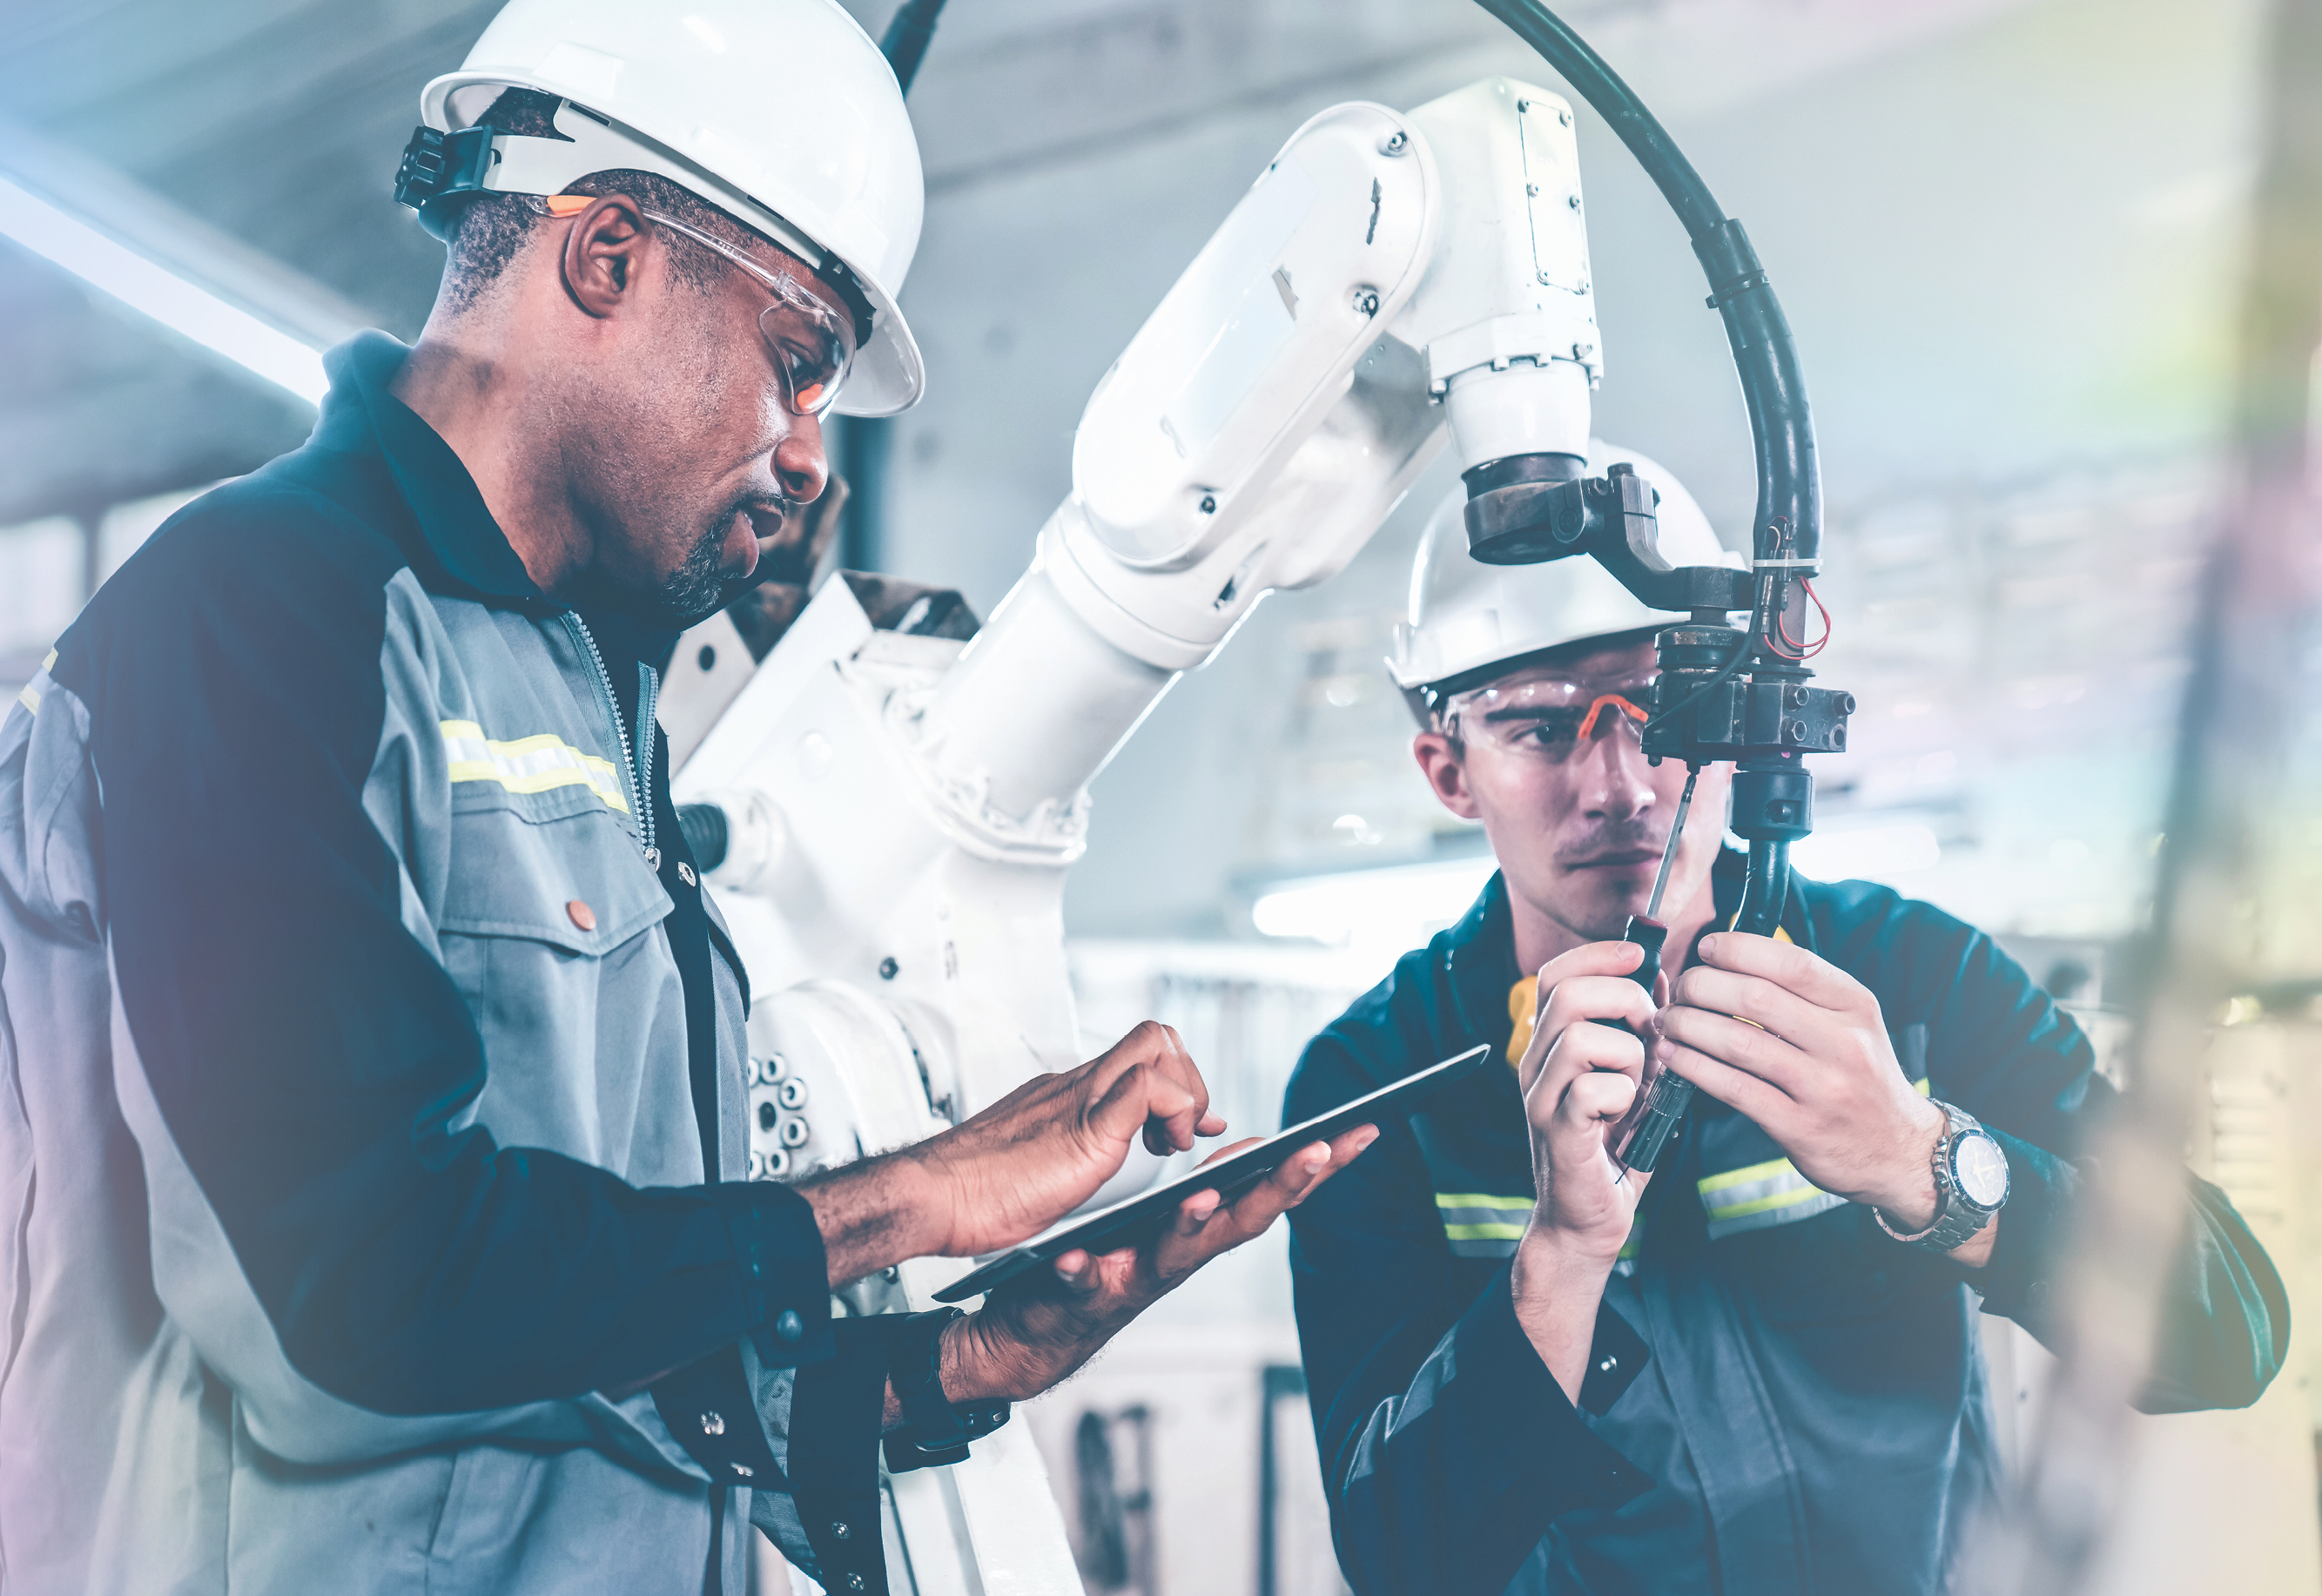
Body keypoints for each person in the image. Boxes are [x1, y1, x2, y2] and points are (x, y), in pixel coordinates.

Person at [0, 4, 1372, 1593]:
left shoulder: (592, 695)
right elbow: (357, 1280)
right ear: (606, 259)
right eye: (797, 368)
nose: (806, 459)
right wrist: (916, 1193)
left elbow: (598, 1350)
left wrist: (958, 1359)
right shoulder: (253, 615)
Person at [1282, 463, 2288, 1596]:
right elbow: (1405, 1559)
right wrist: (1561, 1256)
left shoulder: (1912, 974)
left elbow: (2232, 1325)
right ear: (1449, 770)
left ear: (1746, 722)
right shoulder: (1376, 1081)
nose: (1616, 783)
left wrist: (1925, 1159)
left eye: (1667, 713)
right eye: (1540, 728)